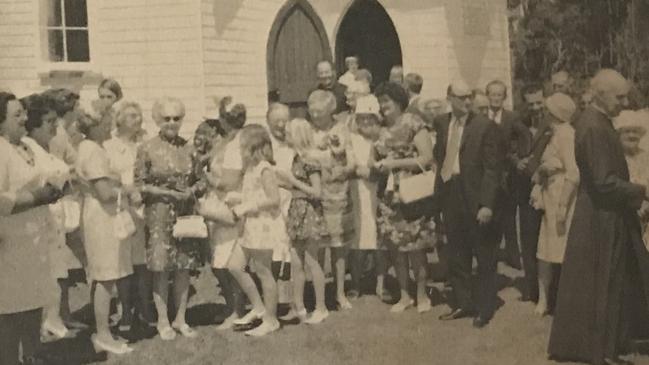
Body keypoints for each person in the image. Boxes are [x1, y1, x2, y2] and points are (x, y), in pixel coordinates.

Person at [548, 69, 649, 365]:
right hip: (601, 217)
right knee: (606, 283)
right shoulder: (593, 125)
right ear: (601, 94)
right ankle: (601, 350)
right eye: (618, 97)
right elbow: (604, 182)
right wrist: (642, 191)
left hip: (604, 212)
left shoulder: (599, 121)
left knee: (608, 281)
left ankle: (608, 344)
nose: (623, 102)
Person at [0, 92, 63, 365]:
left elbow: (59, 173)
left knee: (34, 306)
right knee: (10, 312)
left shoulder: (27, 145)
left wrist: (55, 187)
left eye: (23, 112)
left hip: (35, 243)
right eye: (17, 115)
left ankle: (32, 357)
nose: (25, 118)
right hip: (9, 245)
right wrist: (41, 196)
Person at [434, 80, 503, 328]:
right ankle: (463, 302)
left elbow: (492, 169)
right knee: (457, 252)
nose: (467, 101)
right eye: (462, 97)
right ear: (449, 97)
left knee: (483, 254)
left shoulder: (485, 127)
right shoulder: (442, 123)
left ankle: (485, 308)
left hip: (475, 197)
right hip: (450, 193)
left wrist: (487, 204)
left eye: (470, 97)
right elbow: (439, 156)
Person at [134, 97, 201, 340]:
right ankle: (163, 321)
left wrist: (192, 191)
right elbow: (140, 185)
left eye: (176, 118)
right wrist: (168, 193)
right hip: (159, 213)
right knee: (161, 268)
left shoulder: (189, 148)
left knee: (183, 266)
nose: (172, 123)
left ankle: (181, 319)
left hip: (185, 213)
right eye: (167, 118)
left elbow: (200, 179)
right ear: (157, 120)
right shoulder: (147, 148)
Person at [75, 103, 136, 354]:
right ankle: (102, 334)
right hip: (101, 217)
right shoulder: (93, 151)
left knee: (107, 274)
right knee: (105, 277)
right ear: (95, 124)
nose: (111, 124)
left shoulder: (91, 147)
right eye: (107, 120)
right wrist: (127, 189)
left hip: (102, 215)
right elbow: (104, 193)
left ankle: (104, 332)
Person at [20, 94, 79, 340]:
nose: (54, 126)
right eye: (48, 121)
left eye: (55, 120)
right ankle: (46, 324)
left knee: (56, 271)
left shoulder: (46, 148)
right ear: (33, 126)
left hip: (55, 218)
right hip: (41, 218)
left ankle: (54, 320)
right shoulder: (27, 149)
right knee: (46, 273)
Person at [374, 82, 435, 313]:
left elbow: (427, 158)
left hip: (412, 192)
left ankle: (422, 295)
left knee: (416, 247)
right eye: (380, 102)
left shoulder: (413, 122)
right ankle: (405, 295)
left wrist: (394, 163)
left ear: (398, 101)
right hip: (388, 197)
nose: (382, 106)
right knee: (396, 248)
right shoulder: (380, 127)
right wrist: (376, 165)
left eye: (386, 101)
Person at [226, 124, 287, 336]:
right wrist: (238, 199)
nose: (241, 152)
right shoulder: (250, 169)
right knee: (234, 265)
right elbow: (252, 194)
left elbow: (274, 200)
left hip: (263, 226)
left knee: (264, 272)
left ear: (255, 148)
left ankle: (271, 319)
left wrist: (248, 206)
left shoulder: (264, 168)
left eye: (243, 147)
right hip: (249, 226)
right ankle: (259, 306)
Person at [103, 101, 153, 330]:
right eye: (132, 115)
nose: (138, 119)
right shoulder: (109, 146)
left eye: (139, 115)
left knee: (142, 262)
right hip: (122, 208)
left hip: (144, 208)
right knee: (123, 262)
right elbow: (108, 177)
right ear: (120, 119)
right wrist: (127, 189)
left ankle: (145, 308)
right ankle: (125, 311)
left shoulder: (144, 143)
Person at [529, 93, 579, 316]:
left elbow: (574, 173)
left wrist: (562, 206)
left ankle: (566, 302)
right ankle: (544, 299)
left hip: (561, 197)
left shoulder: (567, 134)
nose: (544, 113)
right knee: (546, 250)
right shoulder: (555, 133)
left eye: (548, 110)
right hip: (550, 194)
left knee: (561, 249)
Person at [276, 118, 329, 324]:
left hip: (309, 212)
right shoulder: (296, 158)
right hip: (297, 211)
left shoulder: (310, 160)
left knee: (311, 260)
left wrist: (292, 180)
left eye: (288, 133)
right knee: (296, 262)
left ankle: (321, 307)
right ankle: (298, 306)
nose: (286, 137)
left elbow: (317, 192)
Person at [200, 99, 246, 331]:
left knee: (227, 261)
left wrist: (206, 177)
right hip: (217, 204)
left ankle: (237, 309)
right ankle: (232, 306)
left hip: (229, 204)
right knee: (218, 260)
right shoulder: (225, 141)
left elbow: (229, 181)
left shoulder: (237, 144)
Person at [308, 89, 356, 310]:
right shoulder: (307, 131)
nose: (314, 115)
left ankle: (339, 292)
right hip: (315, 196)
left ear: (330, 110)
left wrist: (344, 170)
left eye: (319, 111)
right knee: (317, 245)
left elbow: (352, 161)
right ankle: (319, 295)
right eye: (312, 110)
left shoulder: (341, 129)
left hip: (337, 196)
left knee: (338, 247)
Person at [512, 83, 550, 303]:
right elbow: (507, 147)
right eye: (531, 104)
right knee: (528, 237)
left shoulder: (554, 122)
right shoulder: (518, 123)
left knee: (549, 237)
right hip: (526, 189)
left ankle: (550, 289)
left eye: (539, 102)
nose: (536, 107)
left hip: (548, 187)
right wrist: (516, 161)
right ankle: (531, 287)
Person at [348, 95, 388, 300]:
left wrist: (372, 172)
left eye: (369, 118)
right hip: (358, 193)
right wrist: (358, 171)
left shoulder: (382, 138)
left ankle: (381, 283)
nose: (365, 122)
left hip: (378, 192)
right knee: (358, 239)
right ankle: (355, 284)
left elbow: (385, 166)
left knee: (379, 239)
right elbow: (350, 164)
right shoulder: (352, 139)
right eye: (361, 118)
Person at [486, 80, 528, 270]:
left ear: (504, 97)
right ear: (488, 96)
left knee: (509, 216)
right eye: (492, 94)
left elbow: (525, 136)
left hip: (507, 175)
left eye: (499, 95)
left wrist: (519, 157)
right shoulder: (480, 117)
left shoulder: (512, 117)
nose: (496, 98)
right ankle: (490, 258)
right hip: (487, 174)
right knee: (489, 215)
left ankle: (513, 256)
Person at [614, 111, 649, 250]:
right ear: (619, 134)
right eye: (627, 131)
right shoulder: (615, 158)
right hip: (623, 214)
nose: (631, 135)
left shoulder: (646, 156)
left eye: (635, 132)